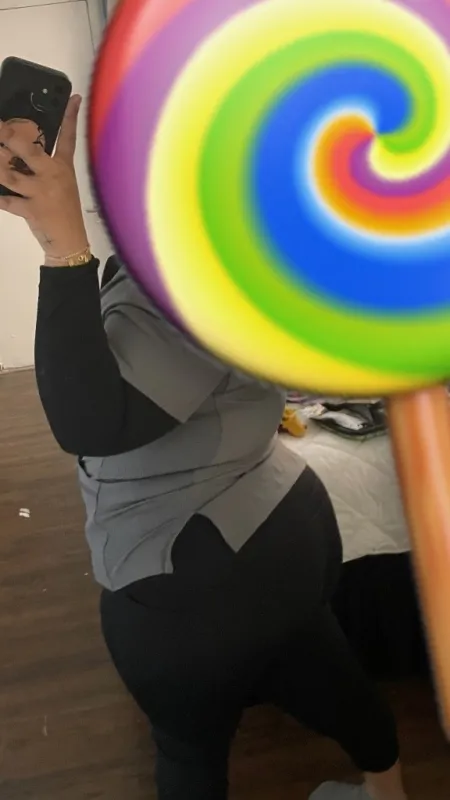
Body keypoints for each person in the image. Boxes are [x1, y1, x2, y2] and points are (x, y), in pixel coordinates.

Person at [0, 95, 409, 800]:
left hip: (193, 563)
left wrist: (62, 246)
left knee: (188, 751)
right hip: (278, 515)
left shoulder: (192, 268)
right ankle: (388, 793)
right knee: (327, 676)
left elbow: (92, 424)